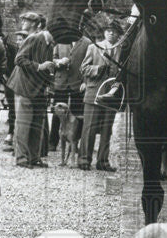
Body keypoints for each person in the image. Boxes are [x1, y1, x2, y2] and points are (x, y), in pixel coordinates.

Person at [5, 12, 57, 168]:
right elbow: (19, 60)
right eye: (24, 20)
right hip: (25, 87)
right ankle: (22, 159)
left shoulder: (46, 40)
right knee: (24, 123)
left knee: (37, 124)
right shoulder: (34, 38)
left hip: (38, 88)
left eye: (26, 20)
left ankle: (34, 158)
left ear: (37, 24)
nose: (23, 22)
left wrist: (47, 83)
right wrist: (40, 66)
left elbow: (45, 65)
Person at [78, 23, 122, 171]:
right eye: (109, 31)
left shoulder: (121, 50)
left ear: (118, 35)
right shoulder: (93, 47)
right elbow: (83, 68)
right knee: (89, 128)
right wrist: (98, 69)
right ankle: (84, 160)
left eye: (115, 32)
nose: (111, 34)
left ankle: (103, 161)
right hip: (93, 92)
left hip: (111, 96)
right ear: (104, 33)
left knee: (106, 130)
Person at [49, 30, 91, 151]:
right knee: (57, 113)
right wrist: (58, 62)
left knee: (77, 114)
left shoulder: (87, 42)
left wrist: (85, 82)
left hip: (78, 82)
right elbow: (52, 58)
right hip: (61, 81)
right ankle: (53, 142)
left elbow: (89, 62)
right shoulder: (60, 39)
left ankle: (75, 143)